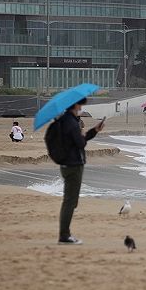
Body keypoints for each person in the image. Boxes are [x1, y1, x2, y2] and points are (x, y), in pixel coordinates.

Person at [57, 97, 104, 245]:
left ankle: (64, 233)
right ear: (75, 105)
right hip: (73, 164)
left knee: (70, 200)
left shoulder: (65, 120)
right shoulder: (71, 122)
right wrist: (89, 133)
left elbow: (79, 140)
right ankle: (64, 235)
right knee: (70, 201)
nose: (81, 107)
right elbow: (80, 143)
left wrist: (94, 131)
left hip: (67, 163)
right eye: (80, 104)